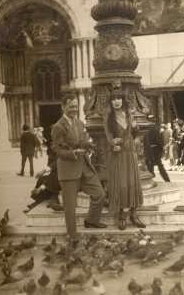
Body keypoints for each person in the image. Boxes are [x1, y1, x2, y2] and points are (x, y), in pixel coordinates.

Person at [51, 94, 107, 240]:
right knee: (70, 207)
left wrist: (88, 145)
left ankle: (91, 221)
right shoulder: (58, 127)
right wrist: (73, 153)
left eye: (75, 106)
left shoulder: (80, 123)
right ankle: (72, 235)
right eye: (71, 107)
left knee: (99, 194)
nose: (74, 109)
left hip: (84, 167)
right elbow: (57, 149)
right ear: (63, 107)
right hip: (68, 170)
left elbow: (82, 141)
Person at [104, 89, 146, 231]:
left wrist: (135, 128)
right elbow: (108, 135)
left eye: (119, 98)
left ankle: (134, 214)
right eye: (113, 99)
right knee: (121, 184)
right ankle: (122, 215)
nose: (116, 101)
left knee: (133, 183)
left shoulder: (129, 114)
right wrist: (112, 143)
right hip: (118, 153)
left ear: (123, 101)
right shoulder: (109, 117)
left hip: (130, 153)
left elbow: (136, 133)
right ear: (111, 102)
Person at [24, 138, 63, 213]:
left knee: (50, 180)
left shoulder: (60, 153)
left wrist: (43, 171)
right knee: (42, 179)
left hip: (59, 175)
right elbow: (50, 165)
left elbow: (55, 164)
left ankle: (52, 199)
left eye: (53, 145)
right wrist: (43, 172)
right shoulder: (52, 152)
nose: (52, 146)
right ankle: (41, 201)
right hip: (54, 174)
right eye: (51, 145)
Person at [143, 115, 171, 182]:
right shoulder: (158, 128)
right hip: (156, 150)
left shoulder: (146, 129)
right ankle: (166, 179)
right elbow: (159, 140)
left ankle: (151, 177)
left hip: (149, 149)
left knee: (150, 164)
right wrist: (162, 148)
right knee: (160, 165)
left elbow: (145, 140)